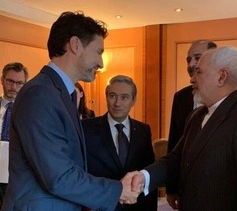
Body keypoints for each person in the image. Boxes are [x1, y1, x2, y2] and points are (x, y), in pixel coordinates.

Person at [1, 11, 140, 211]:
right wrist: (117, 190)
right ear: (75, 45)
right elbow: (58, 176)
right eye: (99, 52)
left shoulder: (59, 93)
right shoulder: (40, 94)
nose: (101, 63)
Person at [132, 46, 237, 211]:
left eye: (199, 72)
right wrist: (143, 177)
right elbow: (175, 159)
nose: (192, 79)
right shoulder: (197, 115)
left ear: (221, 77)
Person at [167, 40, 237, 153]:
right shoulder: (192, 111)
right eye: (188, 60)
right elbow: (174, 151)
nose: (191, 64)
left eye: (198, 58)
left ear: (221, 76)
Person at [82, 75, 158, 211]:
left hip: (135, 206)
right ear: (106, 97)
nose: (117, 103)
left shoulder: (143, 130)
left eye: (124, 97)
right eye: (112, 96)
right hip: (101, 206)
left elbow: (148, 174)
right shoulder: (86, 128)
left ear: (133, 100)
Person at [0, 62, 28, 208]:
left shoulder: (30, 111)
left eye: (19, 83)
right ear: (2, 80)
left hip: (16, 176)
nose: (14, 87)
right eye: (10, 81)